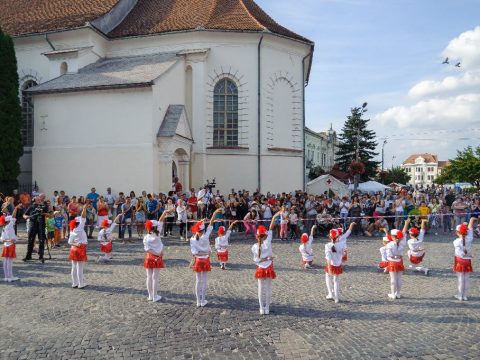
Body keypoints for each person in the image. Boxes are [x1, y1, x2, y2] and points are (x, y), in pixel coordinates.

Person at [190, 208, 222, 307]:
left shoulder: (192, 239)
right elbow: (211, 224)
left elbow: (194, 253)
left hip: (198, 260)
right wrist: (214, 213)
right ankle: (203, 300)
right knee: (204, 281)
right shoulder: (206, 236)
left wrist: (201, 221)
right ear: (203, 230)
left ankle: (198, 301)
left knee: (198, 281)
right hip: (205, 260)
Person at [252, 211, 280, 315]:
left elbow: (256, 260)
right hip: (268, 267)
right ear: (265, 235)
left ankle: (261, 308)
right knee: (268, 288)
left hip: (260, 268)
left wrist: (265, 259)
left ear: (257, 236)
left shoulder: (255, 247)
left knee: (260, 288)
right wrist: (275, 216)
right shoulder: (268, 242)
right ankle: (267, 308)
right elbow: (272, 227)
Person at [143, 209, 173, 302]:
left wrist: (165, 212)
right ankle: (155, 296)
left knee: (149, 276)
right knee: (155, 277)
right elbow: (161, 220)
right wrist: (165, 212)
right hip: (157, 258)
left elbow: (147, 249)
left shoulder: (146, 237)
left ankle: (150, 295)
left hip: (149, 257)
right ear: (155, 227)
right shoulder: (158, 233)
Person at [453, 218, 477, 301]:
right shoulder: (469, 238)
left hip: (460, 261)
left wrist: (463, 253)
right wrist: (471, 220)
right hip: (467, 261)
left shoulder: (456, 241)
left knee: (460, 279)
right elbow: (470, 229)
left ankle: (460, 295)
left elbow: (459, 253)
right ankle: (465, 295)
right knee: (466, 278)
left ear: (457, 232)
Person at [23, 194, 49, 263]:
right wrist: (25, 217)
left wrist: (43, 214)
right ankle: (28, 256)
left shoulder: (44, 206)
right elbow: (25, 214)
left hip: (41, 225)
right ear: (34, 200)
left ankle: (41, 256)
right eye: (37, 199)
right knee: (30, 240)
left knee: (41, 240)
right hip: (33, 225)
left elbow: (50, 215)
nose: (39, 200)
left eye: (39, 199)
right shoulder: (31, 206)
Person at [68, 205, 88, 289]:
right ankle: (81, 284)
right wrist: (84, 208)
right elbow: (83, 217)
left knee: (74, 267)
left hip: (73, 249)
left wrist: (75, 244)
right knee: (80, 267)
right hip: (80, 248)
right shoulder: (80, 227)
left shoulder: (72, 230)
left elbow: (69, 242)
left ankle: (74, 283)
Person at [1, 204, 22, 281]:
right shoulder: (9, 225)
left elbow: (2, 239)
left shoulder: (4, 227)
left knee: (5, 260)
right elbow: (13, 216)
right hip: (11, 244)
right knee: (9, 261)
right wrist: (16, 208)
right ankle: (10, 277)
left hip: (6, 245)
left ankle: (6, 277)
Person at [325, 228, 346, 303]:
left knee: (328, 277)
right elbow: (344, 254)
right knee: (336, 280)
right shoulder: (342, 244)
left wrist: (329, 268)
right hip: (338, 264)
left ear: (330, 237)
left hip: (331, 264)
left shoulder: (328, 245)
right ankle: (336, 298)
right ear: (338, 236)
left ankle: (330, 294)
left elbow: (328, 258)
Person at [385, 228, 406, 300]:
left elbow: (389, 255)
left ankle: (393, 294)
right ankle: (398, 293)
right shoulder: (402, 244)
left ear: (393, 237)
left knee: (393, 279)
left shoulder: (389, 244)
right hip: (399, 261)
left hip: (392, 262)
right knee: (399, 278)